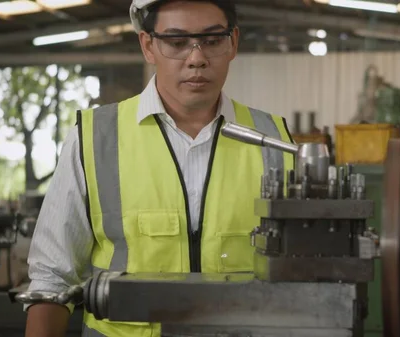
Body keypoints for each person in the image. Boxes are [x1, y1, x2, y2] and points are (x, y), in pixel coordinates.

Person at [23, 0, 294, 336]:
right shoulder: (94, 138)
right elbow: (52, 280)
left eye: (212, 41)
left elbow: (300, 276)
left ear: (233, 42)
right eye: (177, 43)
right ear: (148, 45)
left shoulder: (275, 141)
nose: (196, 58)